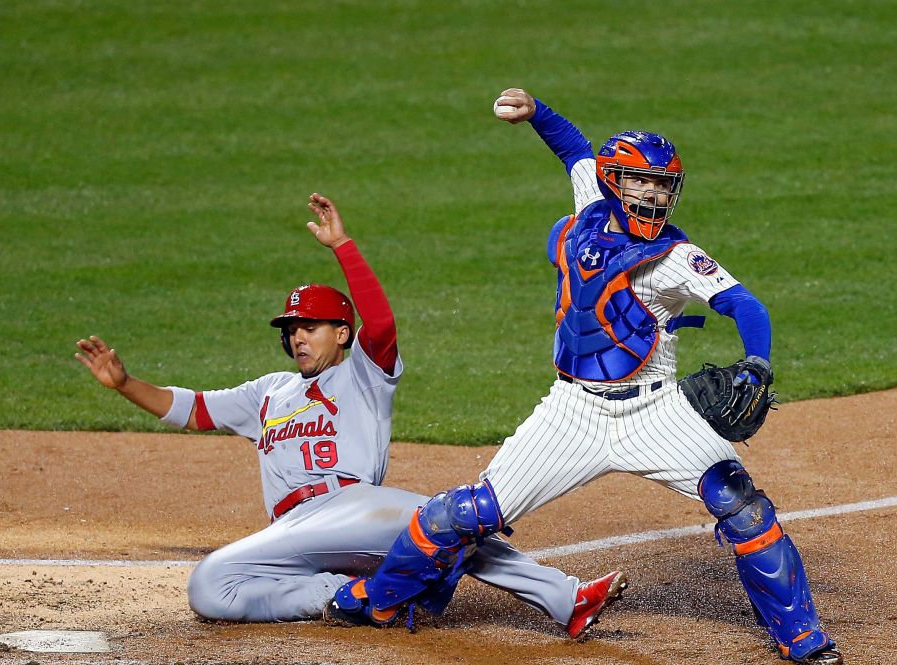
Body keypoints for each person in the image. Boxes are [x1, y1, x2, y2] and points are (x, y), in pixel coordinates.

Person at [324, 93, 842, 665]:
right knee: (463, 515)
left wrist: (758, 362)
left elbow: (746, 306)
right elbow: (573, 148)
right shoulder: (591, 200)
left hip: (656, 414)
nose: (655, 197)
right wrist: (535, 111)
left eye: (665, 187)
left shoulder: (676, 257)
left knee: (744, 508)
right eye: (642, 184)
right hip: (572, 412)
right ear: (613, 182)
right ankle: (382, 600)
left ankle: (802, 636)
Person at [74, 192, 623, 637]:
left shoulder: (363, 373)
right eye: (291, 330)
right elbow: (190, 409)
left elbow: (381, 325)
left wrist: (343, 247)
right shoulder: (268, 392)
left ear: (341, 333)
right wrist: (125, 384)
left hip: (354, 508)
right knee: (210, 586)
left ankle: (566, 599)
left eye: (309, 326)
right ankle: (354, 598)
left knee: (454, 527)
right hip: (294, 533)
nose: (297, 337)